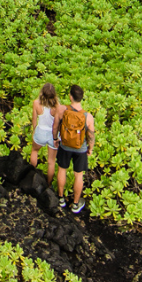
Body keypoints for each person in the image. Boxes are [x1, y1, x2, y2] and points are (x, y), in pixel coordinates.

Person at [54, 84, 95, 213]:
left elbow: (55, 126)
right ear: (81, 98)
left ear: (70, 97)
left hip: (65, 145)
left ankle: (61, 199)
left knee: (62, 170)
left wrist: (55, 139)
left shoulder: (62, 109)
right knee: (79, 176)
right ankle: (76, 204)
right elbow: (91, 135)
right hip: (80, 148)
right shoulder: (88, 116)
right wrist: (90, 148)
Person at [30, 83, 59, 184]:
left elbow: (34, 119)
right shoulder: (57, 106)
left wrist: (34, 131)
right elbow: (57, 123)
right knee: (51, 162)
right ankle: (49, 184)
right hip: (52, 134)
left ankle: (31, 176)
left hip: (41, 131)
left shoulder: (36, 103)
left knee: (34, 151)